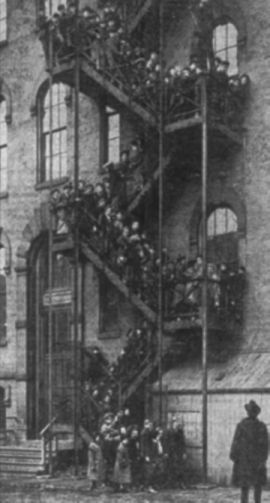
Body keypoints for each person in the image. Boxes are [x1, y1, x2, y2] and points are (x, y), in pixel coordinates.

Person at [230, 400, 268, 503]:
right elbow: (266, 447)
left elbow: (235, 443)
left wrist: (234, 457)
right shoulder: (262, 426)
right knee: (257, 487)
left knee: (245, 488)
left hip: (244, 462)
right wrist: (263, 460)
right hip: (257, 462)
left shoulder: (241, 426)